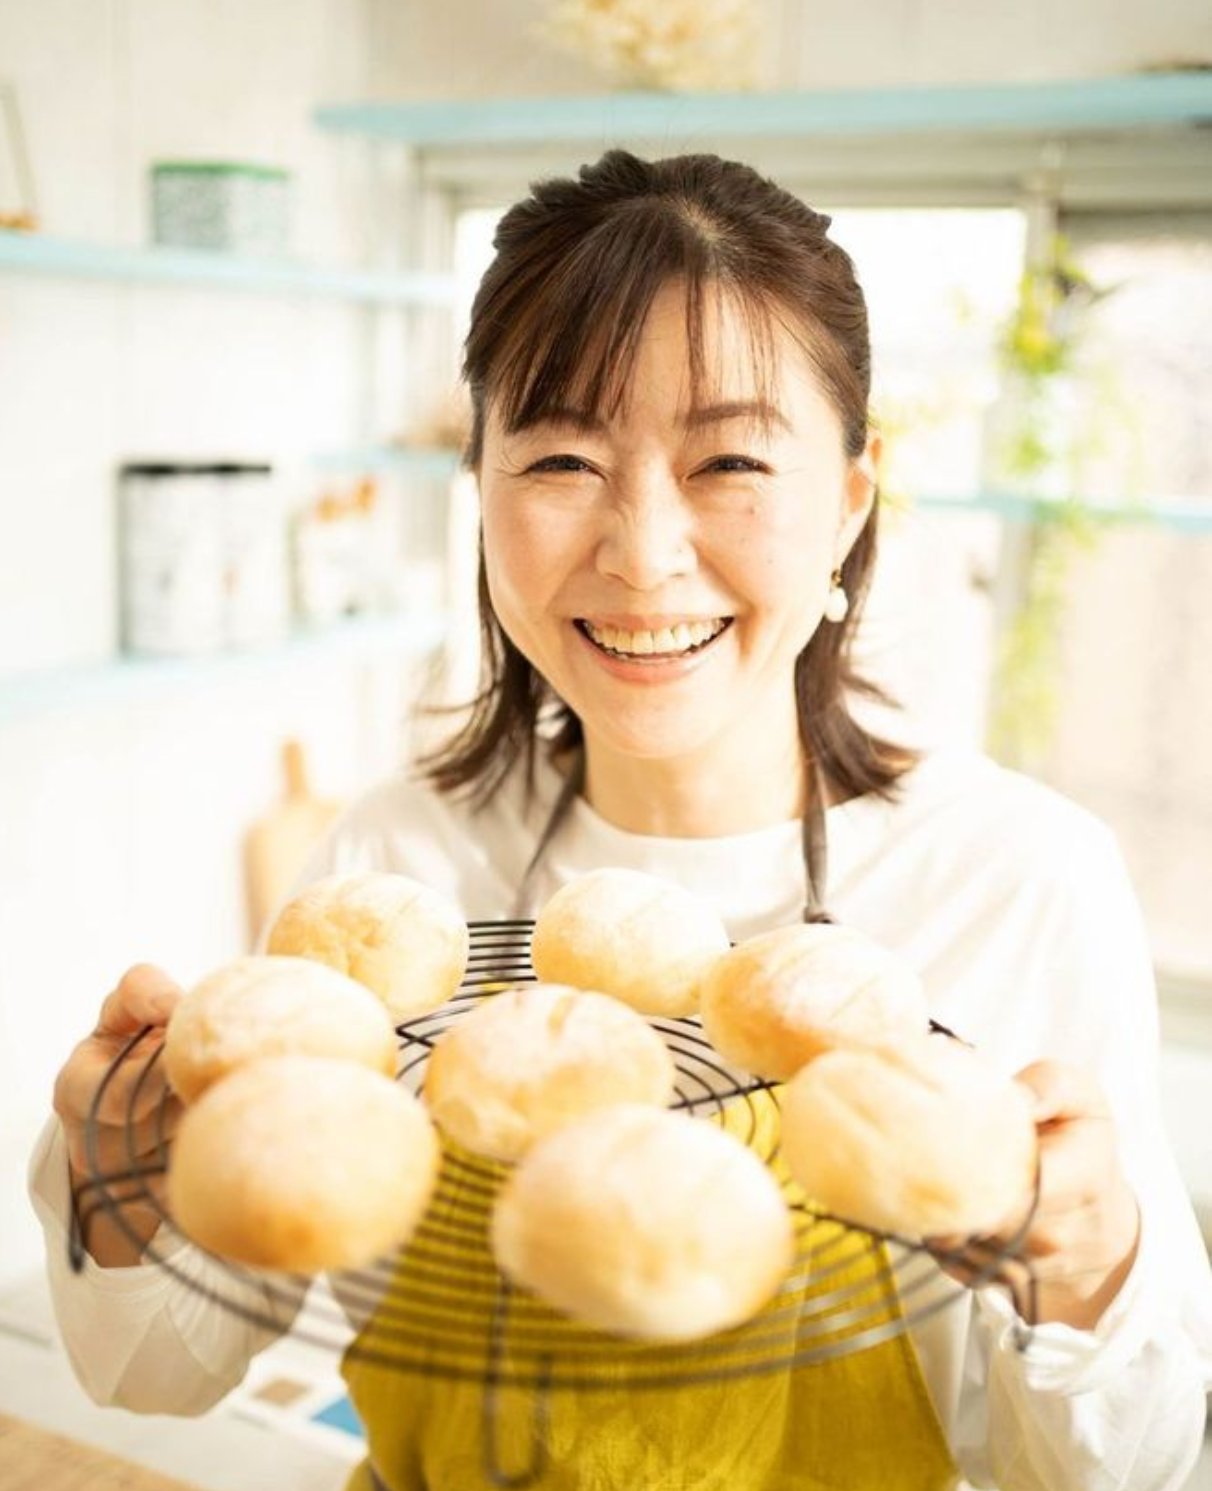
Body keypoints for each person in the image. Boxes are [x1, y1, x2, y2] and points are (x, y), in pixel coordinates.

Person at [31, 149, 1212, 1491]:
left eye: (729, 459)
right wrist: (118, 1178)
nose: (643, 553)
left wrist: (1093, 1261)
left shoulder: (1013, 876)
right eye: (563, 457)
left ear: (852, 496)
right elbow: (153, 1372)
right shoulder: (396, 872)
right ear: (480, 486)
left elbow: (1141, 1469)